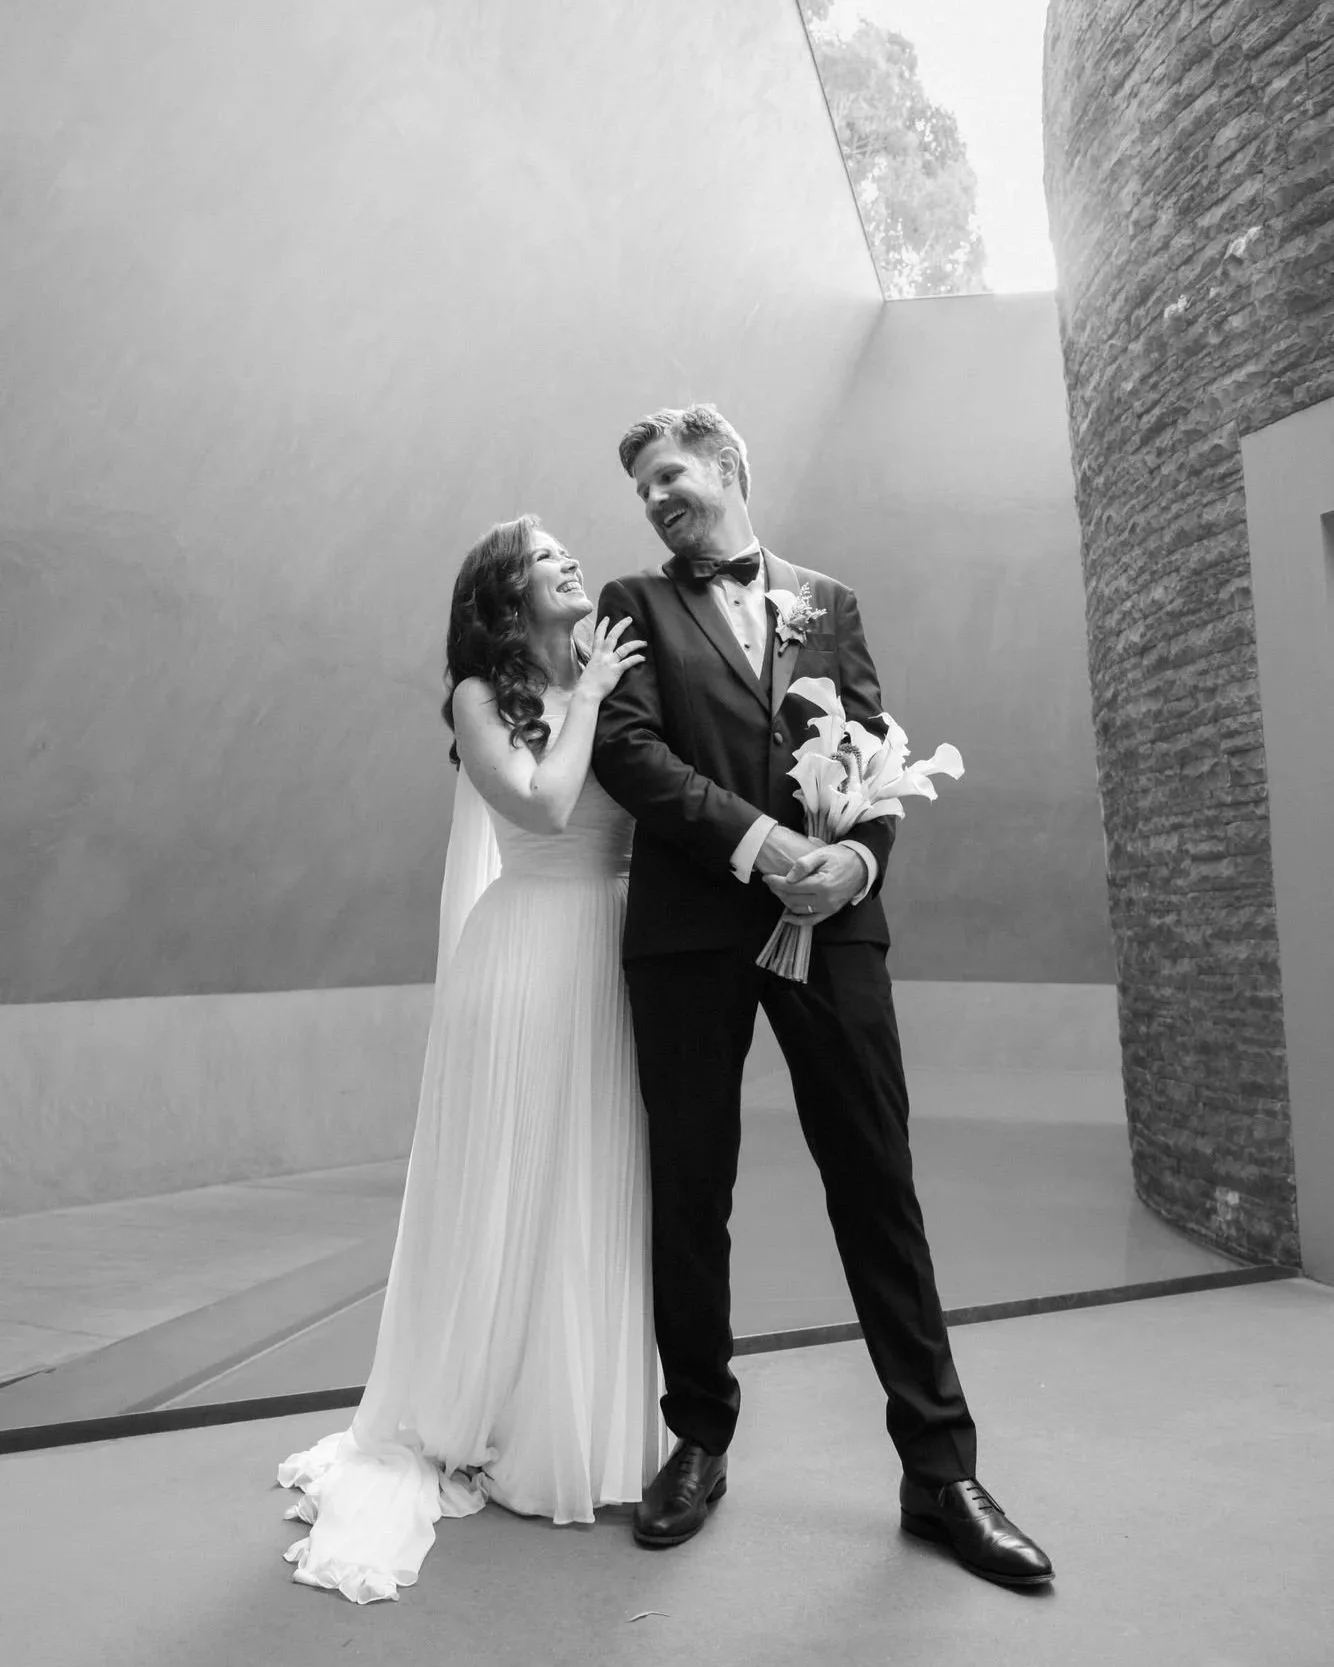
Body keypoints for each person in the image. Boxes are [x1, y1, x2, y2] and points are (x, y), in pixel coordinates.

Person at [591, 403, 1054, 1588]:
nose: (654, 497)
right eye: (640, 486)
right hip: (691, 936)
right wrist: (759, 845)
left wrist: (854, 858)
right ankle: (697, 1436)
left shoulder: (828, 601)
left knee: (875, 1181)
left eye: (669, 473)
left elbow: (876, 751)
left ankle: (938, 1471)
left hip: (835, 929)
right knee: (690, 1183)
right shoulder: (629, 608)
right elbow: (628, 752)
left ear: (729, 465)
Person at [276, 515, 666, 1602]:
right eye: (548, 559)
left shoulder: (615, 664)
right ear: (503, 597)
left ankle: (578, 1416)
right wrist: (586, 697)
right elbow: (541, 801)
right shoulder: (481, 697)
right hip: (528, 950)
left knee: (594, 1174)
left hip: (613, 949)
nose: (571, 564)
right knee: (511, 1177)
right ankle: (482, 1408)